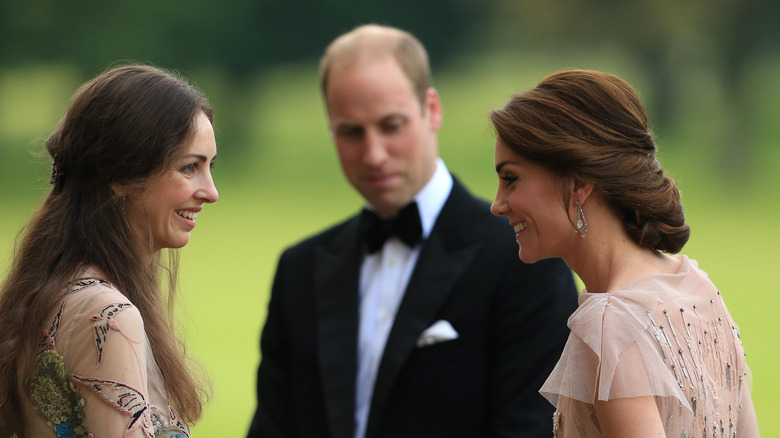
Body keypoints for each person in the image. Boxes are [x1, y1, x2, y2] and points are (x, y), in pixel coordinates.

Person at [247, 24, 578, 438]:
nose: (374, 154)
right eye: (351, 131)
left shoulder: (524, 258)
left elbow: (529, 428)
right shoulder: (299, 268)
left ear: (432, 109)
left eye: (391, 125)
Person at [489, 69, 760, 437]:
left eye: (511, 179)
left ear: (579, 182)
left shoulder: (609, 323)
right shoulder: (694, 285)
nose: (498, 204)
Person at [0, 64, 219, 437]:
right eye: (189, 167)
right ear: (120, 176)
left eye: (209, 167)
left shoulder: (53, 290)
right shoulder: (107, 315)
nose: (210, 192)